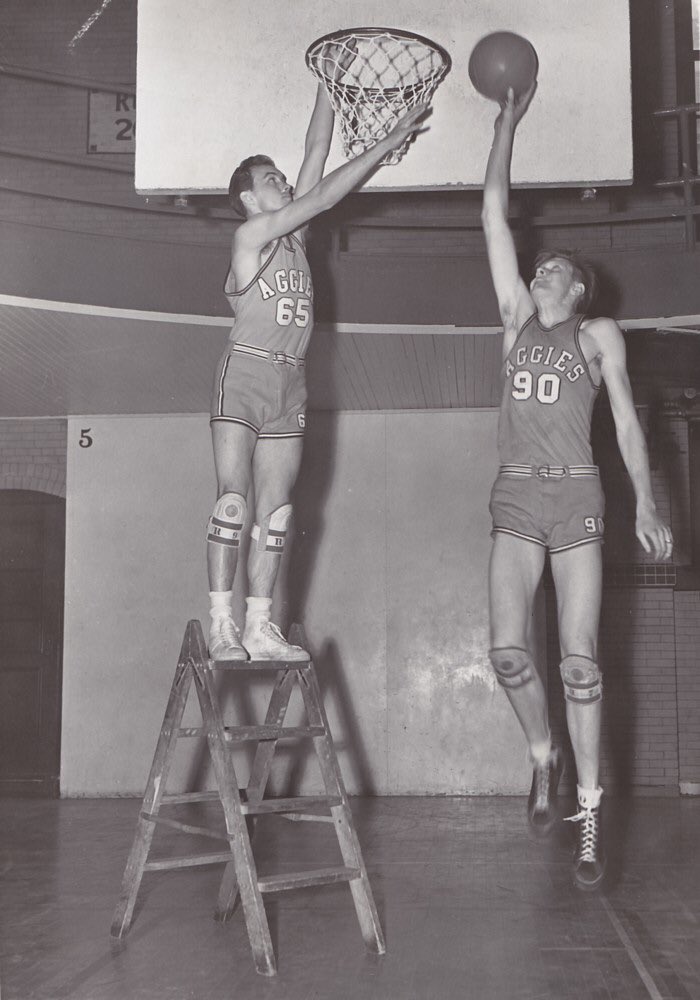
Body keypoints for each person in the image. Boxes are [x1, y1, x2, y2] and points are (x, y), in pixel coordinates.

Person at [481, 83, 673, 890]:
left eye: (555, 268)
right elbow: (494, 213)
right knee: (507, 654)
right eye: (539, 266)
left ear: (577, 290)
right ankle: (542, 756)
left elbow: (627, 424)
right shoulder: (513, 319)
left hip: (581, 499)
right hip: (517, 498)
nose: (542, 269)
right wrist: (505, 124)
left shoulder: (597, 334)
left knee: (581, 663)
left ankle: (589, 812)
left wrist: (651, 502)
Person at [207, 77, 428, 663]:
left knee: (277, 512)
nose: (282, 180)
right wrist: (385, 145)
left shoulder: (297, 240)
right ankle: (221, 624)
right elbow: (323, 194)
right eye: (269, 179)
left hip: (290, 380)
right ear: (250, 199)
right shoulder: (251, 234)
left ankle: (259, 625)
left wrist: (329, 82)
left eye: (281, 176)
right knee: (235, 500)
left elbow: (315, 151)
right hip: (247, 372)